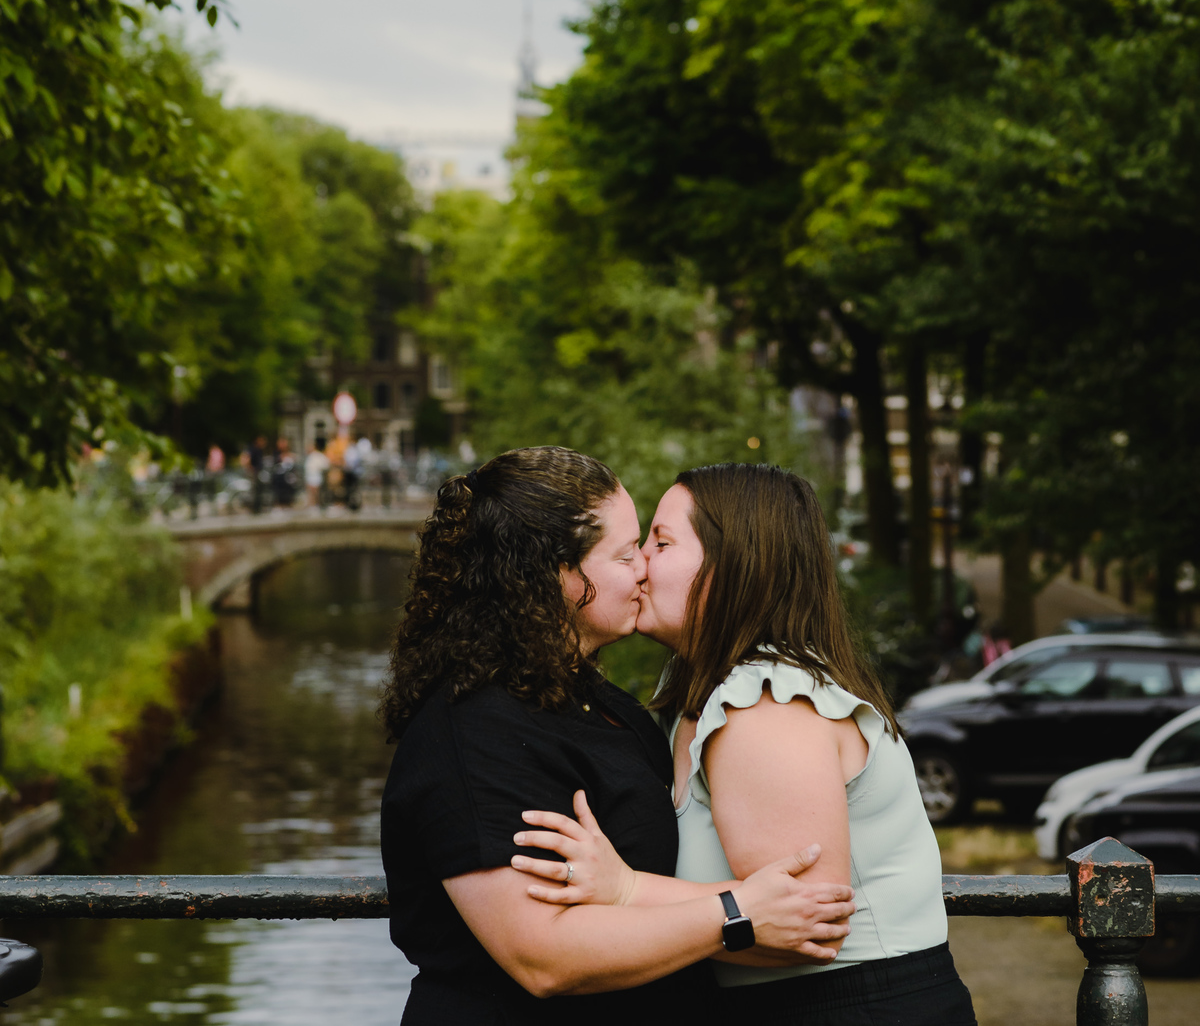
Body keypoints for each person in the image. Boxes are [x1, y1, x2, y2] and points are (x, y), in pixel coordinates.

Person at [379, 447, 857, 1025]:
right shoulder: (473, 729)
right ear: (556, 573)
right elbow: (542, 958)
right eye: (626, 553)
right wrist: (735, 912)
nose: (644, 569)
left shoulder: (605, 706)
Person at [515, 464, 975, 1026]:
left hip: (853, 1007)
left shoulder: (767, 705)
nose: (639, 564)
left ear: (732, 566)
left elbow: (804, 926)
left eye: (660, 543)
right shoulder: (693, 693)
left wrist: (627, 889)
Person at [304, 434, 330, 509]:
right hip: (310, 476)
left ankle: (316, 505)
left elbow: (326, 465)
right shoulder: (310, 456)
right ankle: (312, 506)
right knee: (310, 492)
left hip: (317, 476)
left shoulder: (319, 455)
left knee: (315, 492)